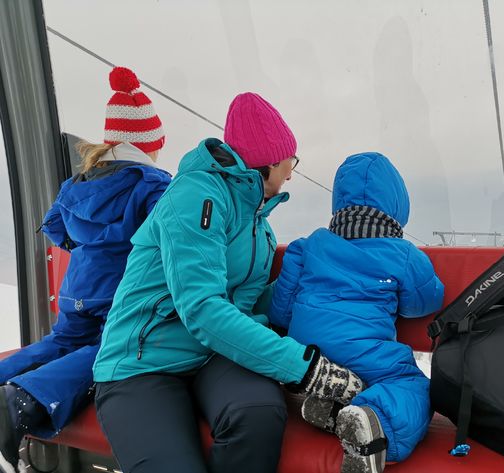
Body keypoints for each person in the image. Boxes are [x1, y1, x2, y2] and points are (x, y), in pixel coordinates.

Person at [92, 92, 364, 473]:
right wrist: (305, 367)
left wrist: (312, 285)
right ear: (267, 163)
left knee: (257, 414)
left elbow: (245, 306)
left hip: (210, 357)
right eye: (291, 161)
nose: (291, 172)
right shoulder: (197, 197)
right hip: (143, 363)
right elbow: (203, 310)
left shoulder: (260, 226)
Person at [0, 67, 171, 473]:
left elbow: (55, 228)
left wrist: (88, 247)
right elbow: (168, 240)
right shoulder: (154, 185)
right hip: (118, 295)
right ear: (148, 144)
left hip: (78, 288)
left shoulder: (79, 182)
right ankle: (22, 400)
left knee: (59, 343)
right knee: (109, 351)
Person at [269, 152, 445, 473]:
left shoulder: (307, 246)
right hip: (364, 355)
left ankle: (335, 409)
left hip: (304, 356)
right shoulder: (402, 254)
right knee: (413, 384)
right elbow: (427, 301)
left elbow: (279, 310)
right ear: (397, 205)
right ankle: (376, 427)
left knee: (365, 378)